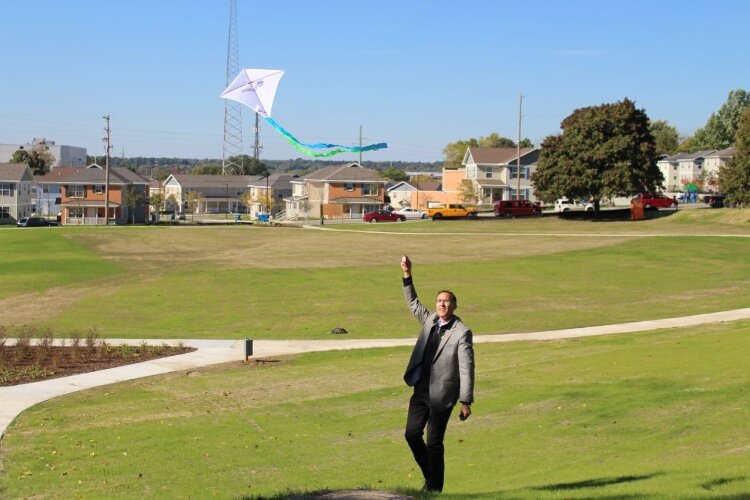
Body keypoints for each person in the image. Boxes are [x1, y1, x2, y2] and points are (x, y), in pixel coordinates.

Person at [400, 255, 475, 493]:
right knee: (411, 434)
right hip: (421, 389)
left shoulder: (462, 332)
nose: (442, 304)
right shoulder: (430, 319)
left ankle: (435, 487)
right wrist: (407, 274)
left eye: (447, 301)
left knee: (434, 442)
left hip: (443, 395)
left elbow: (466, 367)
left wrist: (466, 400)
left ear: (454, 306)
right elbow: (413, 303)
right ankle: (431, 476)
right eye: (439, 300)